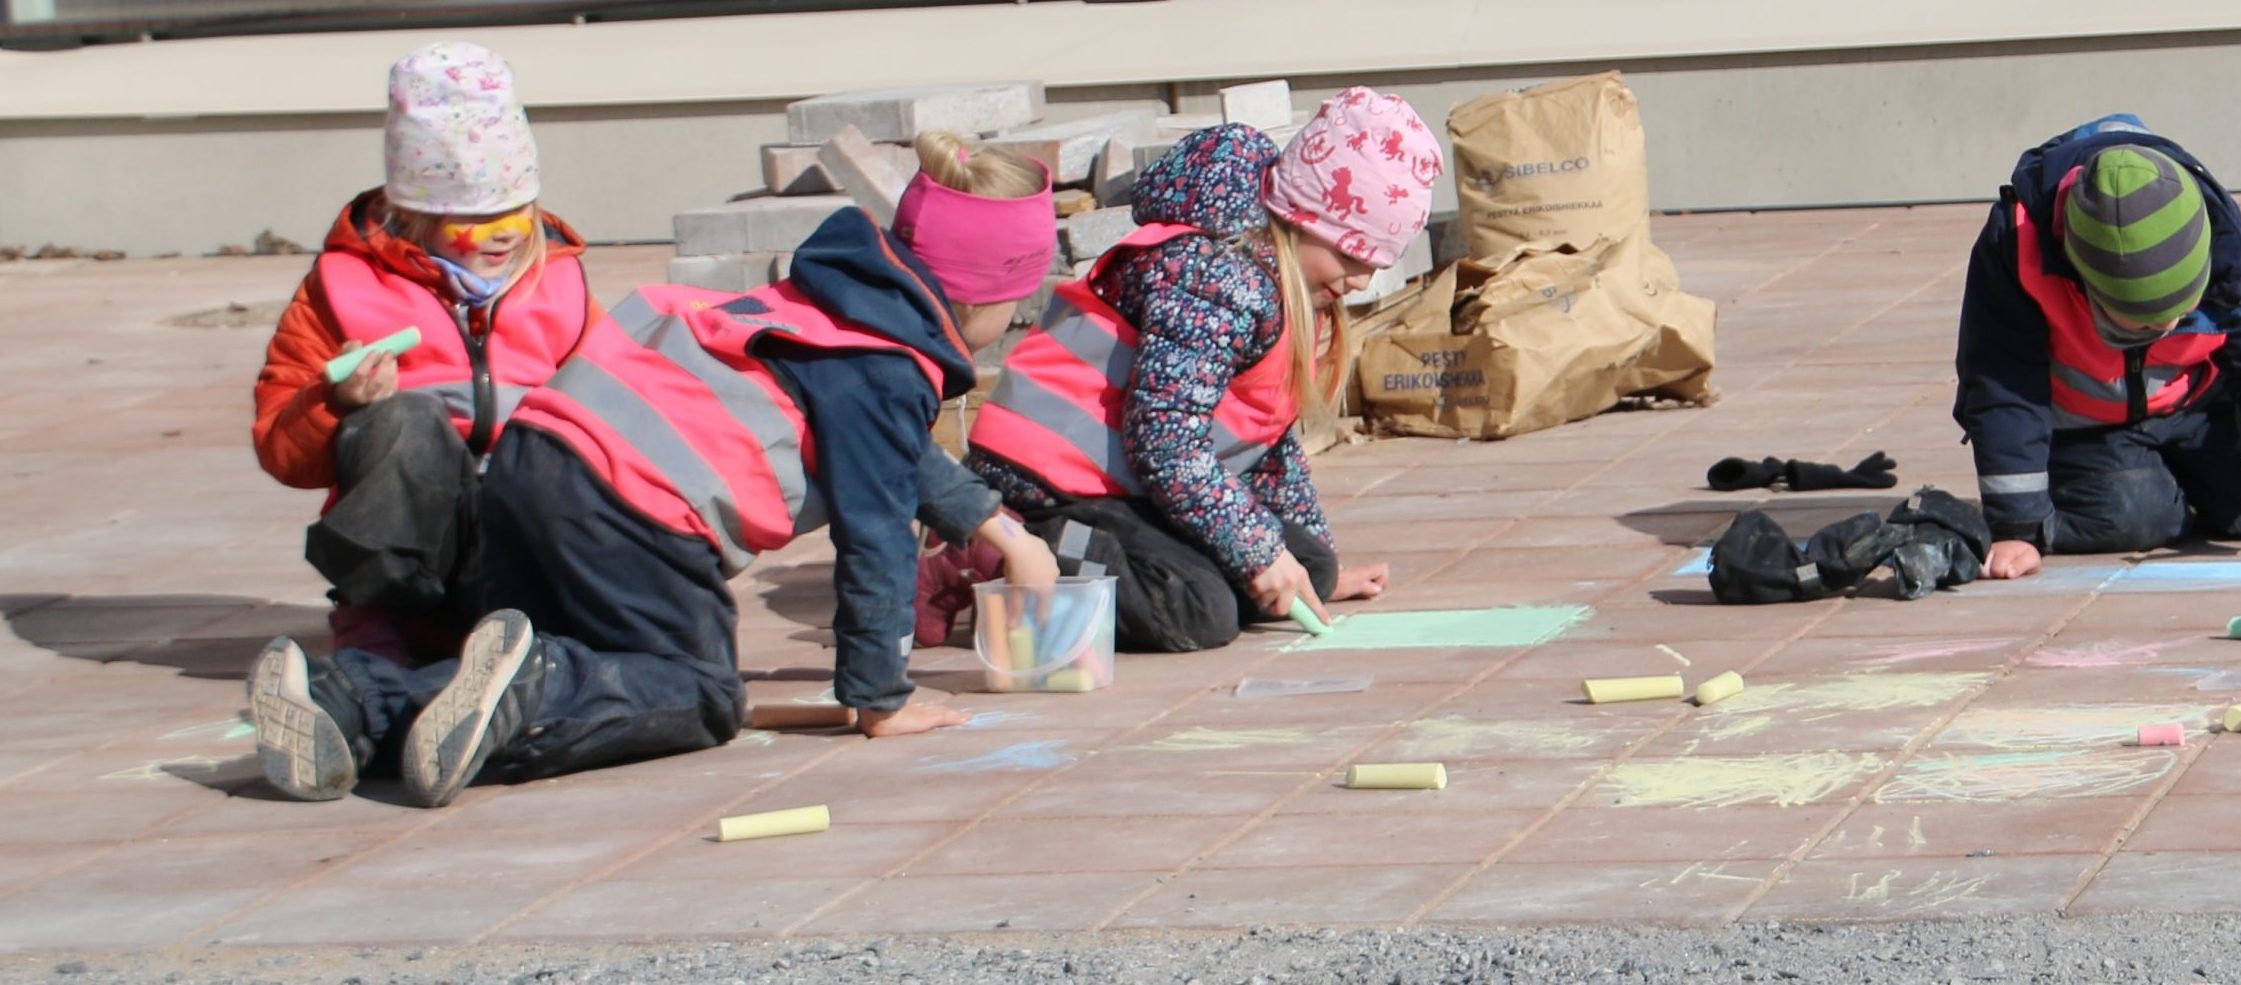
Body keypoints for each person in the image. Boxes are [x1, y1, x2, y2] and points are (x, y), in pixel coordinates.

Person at [245, 132, 1060, 806]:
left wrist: (998, 529)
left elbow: (889, 451)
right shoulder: (886, 369)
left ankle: (348, 701)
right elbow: (876, 529)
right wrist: (880, 695)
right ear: (987, 299)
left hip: (532, 468)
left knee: (566, 658)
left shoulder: (824, 304)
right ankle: (540, 684)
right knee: (692, 694)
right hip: (633, 515)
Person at [964, 87, 1430, 651]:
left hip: (1120, 480)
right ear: (1299, 219)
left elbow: (1265, 443)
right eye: (1350, 255)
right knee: (1194, 609)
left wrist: (1307, 572)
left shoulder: (1279, 283)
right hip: (1044, 481)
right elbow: (1164, 444)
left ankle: (1247, 565)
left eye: (1374, 264)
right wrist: (1258, 554)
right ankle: (992, 550)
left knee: (1306, 563)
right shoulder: (1216, 279)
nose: (1359, 280)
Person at [249, 42, 594, 675]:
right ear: (414, 215)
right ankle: (373, 636)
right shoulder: (342, 289)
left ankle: (538, 639)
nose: (501, 234)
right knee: (403, 420)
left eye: (513, 211)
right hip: (409, 562)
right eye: (471, 217)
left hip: (523, 553)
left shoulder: (563, 287)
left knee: (566, 443)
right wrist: (334, 402)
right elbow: (280, 446)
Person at [1953, 113, 2241, 580]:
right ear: (2087, 283)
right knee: (2137, 514)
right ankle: (2126, 496)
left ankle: (2175, 483)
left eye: (2180, 310)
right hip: (2089, 428)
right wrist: (2017, 526)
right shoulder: (2016, 247)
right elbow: (2002, 386)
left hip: (2200, 406)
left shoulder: (2219, 237)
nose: (2170, 326)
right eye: (2142, 323)